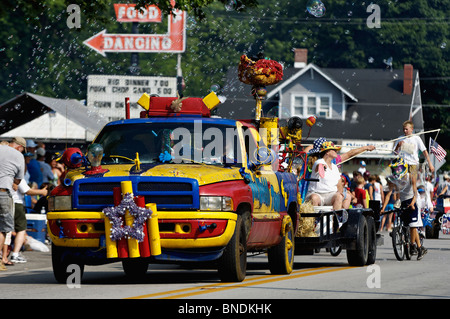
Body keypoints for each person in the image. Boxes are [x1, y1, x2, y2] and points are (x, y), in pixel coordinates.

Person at [381, 157, 427, 260]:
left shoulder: (411, 177)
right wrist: (383, 208)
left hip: (412, 200)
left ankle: (418, 247)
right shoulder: (393, 179)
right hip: (402, 202)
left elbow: (415, 193)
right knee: (405, 223)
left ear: (404, 167)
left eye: (398, 168)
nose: (396, 171)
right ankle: (406, 240)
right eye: (394, 169)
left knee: (413, 225)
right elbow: (388, 194)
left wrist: (412, 203)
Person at [7, 178, 48, 264]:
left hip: (5, 202)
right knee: (21, 230)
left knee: (5, 230)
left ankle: (3, 255)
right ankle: (15, 254)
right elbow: (27, 191)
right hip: (16, 202)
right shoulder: (17, 176)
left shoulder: (4, 174)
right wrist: (42, 192)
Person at [0, 137, 26, 270]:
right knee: (3, 228)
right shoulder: (18, 155)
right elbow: (18, 179)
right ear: (19, 147)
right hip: (3, 192)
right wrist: (14, 184)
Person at [305, 141, 350, 210]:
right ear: (327, 152)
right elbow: (318, 167)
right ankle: (314, 220)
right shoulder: (319, 162)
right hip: (317, 194)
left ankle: (336, 219)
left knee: (339, 196)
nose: (336, 152)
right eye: (334, 150)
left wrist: (340, 193)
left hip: (330, 195)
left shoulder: (335, 167)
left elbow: (339, 184)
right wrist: (321, 166)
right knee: (314, 198)